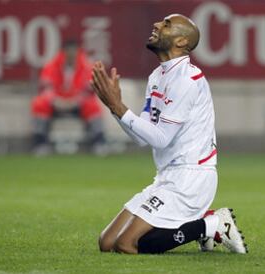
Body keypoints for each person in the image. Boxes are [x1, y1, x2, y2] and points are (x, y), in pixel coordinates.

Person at [91, 14, 247, 254]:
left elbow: (162, 138)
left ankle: (210, 225)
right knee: (107, 242)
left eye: (166, 24)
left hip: (190, 177)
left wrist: (119, 108)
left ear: (182, 41)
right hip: (166, 176)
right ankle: (202, 225)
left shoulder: (187, 79)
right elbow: (143, 137)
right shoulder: (158, 76)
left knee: (126, 245)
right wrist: (116, 109)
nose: (156, 25)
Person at [31, 40, 106, 155]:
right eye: (68, 51)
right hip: (56, 103)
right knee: (39, 104)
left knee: (93, 105)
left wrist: (76, 101)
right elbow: (46, 87)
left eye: (74, 51)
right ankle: (40, 143)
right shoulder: (52, 65)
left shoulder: (86, 66)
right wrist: (56, 100)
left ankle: (99, 143)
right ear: (63, 52)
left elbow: (89, 89)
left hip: (78, 103)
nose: (71, 55)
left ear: (78, 52)